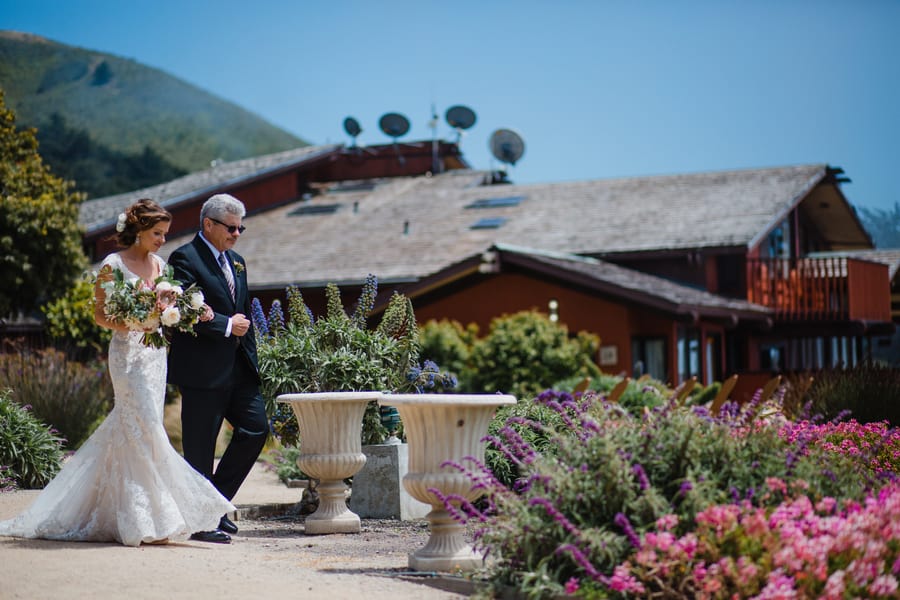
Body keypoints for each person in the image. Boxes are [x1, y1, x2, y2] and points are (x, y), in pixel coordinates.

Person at [0, 199, 234, 547]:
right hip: (126, 356)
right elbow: (100, 315)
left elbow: (168, 309)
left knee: (139, 427)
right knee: (148, 429)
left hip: (155, 356)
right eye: (157, 233)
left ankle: (138, 512)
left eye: (165, 234)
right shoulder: (113, 264)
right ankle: (155, 517)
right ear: (138, 231)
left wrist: (177, 312)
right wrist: (135, 320)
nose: (161, 240)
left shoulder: (160, 265)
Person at [166, 193, 268, 544]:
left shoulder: (237, 261)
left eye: (241, 227)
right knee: (200, 448)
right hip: (202, 371)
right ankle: (200, 522)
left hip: (239, 369)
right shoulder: (184, 257)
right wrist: (226, 325)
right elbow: (179, 311)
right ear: (208, 224)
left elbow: (245, 314)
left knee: (256, 429)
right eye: (231, 227)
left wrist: (254, 360)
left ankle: (214, 504)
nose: (237, 233)